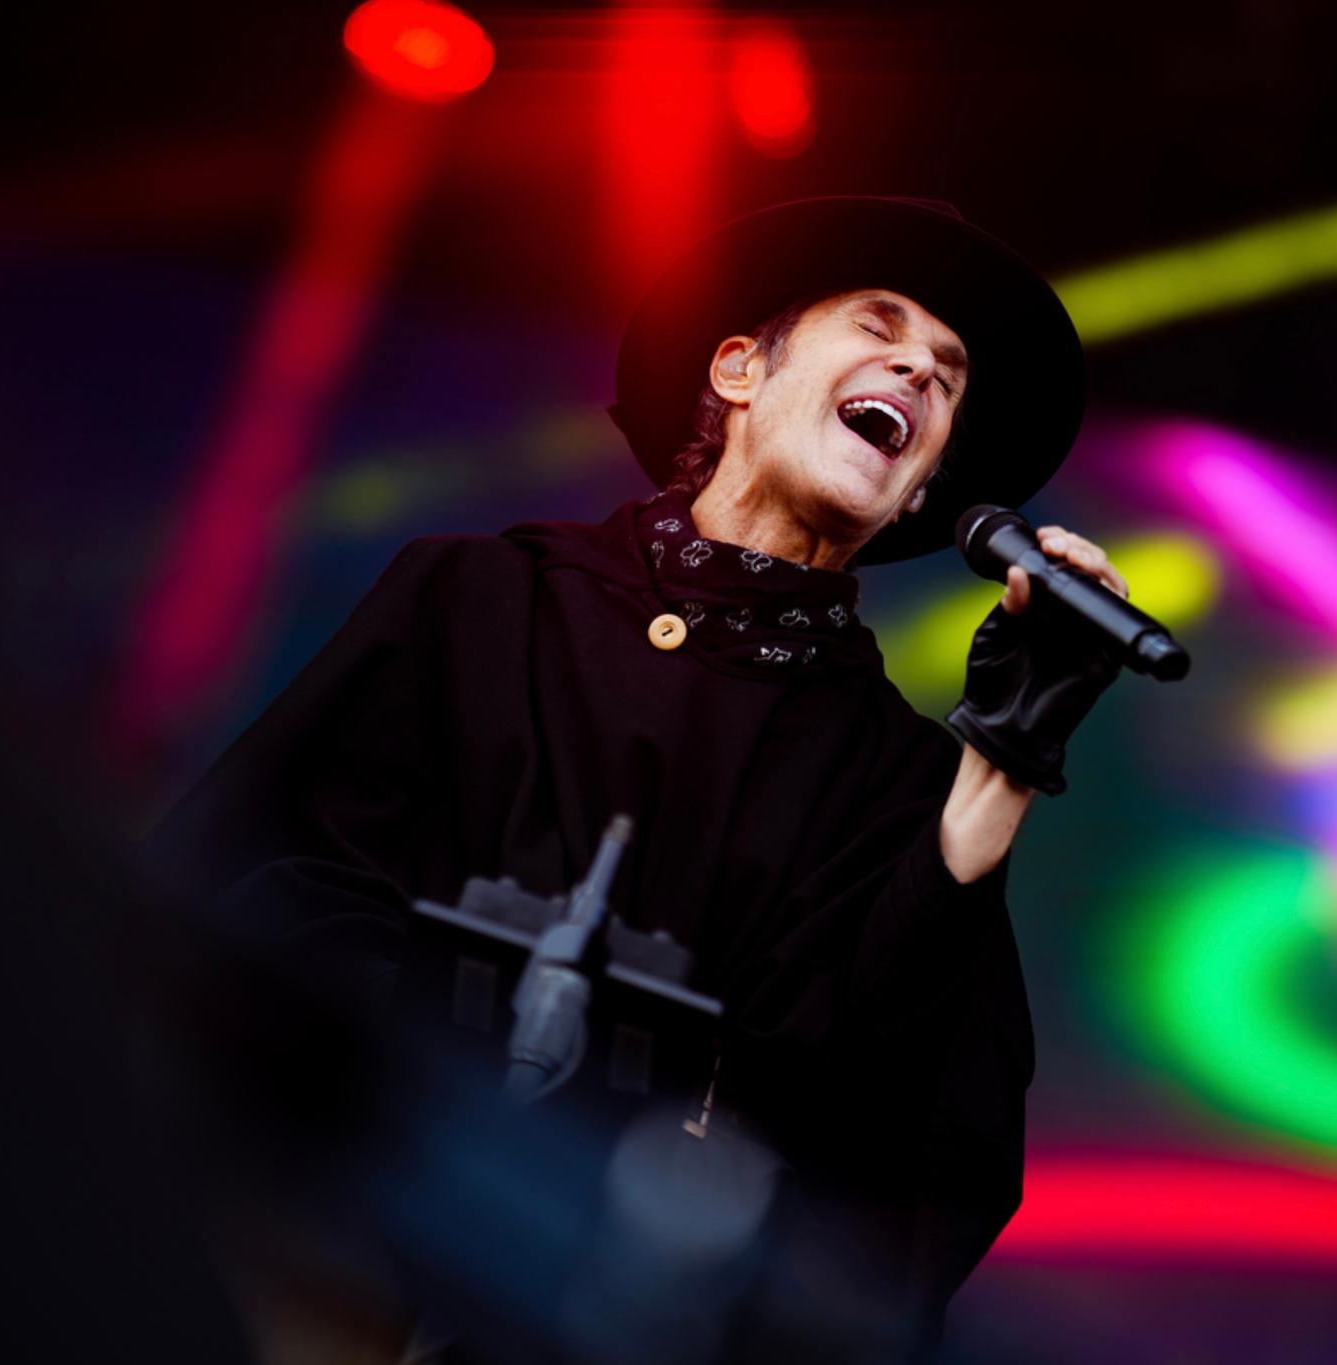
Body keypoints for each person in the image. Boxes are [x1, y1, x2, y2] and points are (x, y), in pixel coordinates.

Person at [153, 196, 1128, 1360]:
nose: (916, 367)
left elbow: (903, 1147)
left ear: (922, 492)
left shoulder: (897, 776)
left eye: (948, 378)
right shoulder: (477, 599)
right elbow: (252, 874)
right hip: (322, 1267)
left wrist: (1002, 769)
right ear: (736, 371)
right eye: (880, 328)